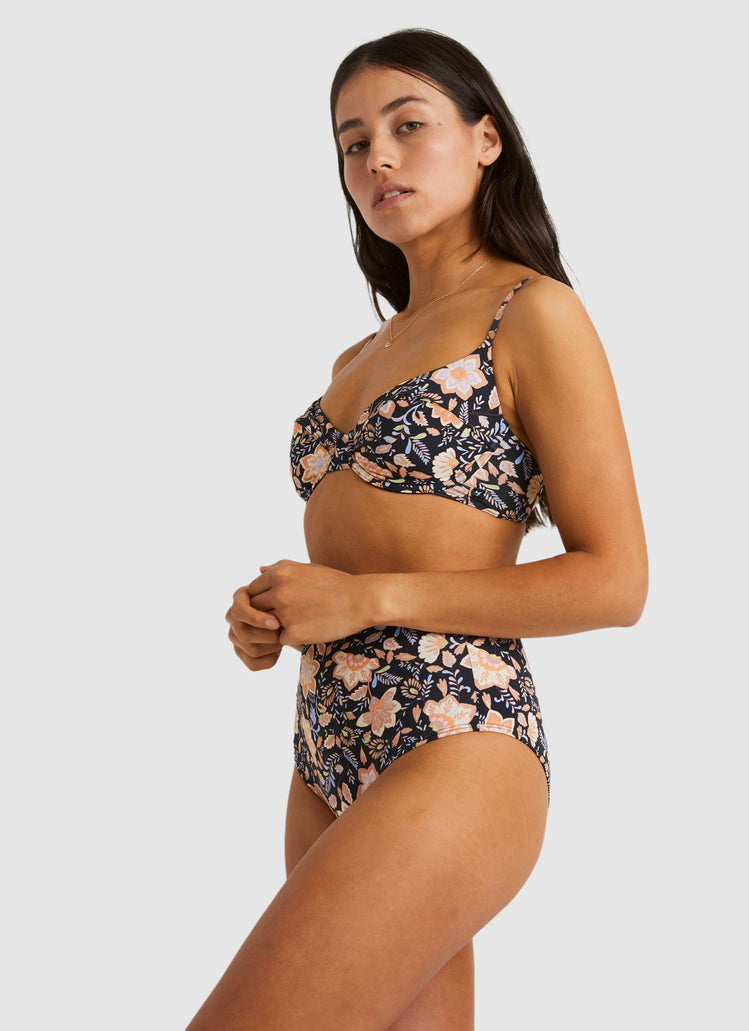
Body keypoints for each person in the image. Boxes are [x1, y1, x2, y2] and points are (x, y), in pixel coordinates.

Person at [187, 27, 647, 1031]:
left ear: (486, 140)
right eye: (353, 142)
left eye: (408, 126)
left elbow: (615, 579)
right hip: (324, 742)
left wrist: (367, 599)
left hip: (455, 731)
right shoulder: (357, 355)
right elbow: (364, 545)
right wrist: (273, 615)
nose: (378, 158)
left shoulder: (532, 313)